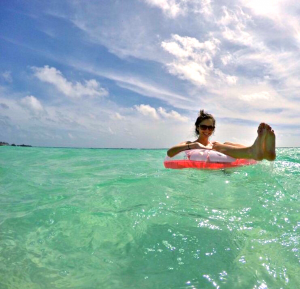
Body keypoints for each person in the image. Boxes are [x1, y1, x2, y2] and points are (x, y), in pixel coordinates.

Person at [167, 110, 276, 161]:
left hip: (223, 169)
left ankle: (264, 152)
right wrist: (194, 146)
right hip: (207, 173)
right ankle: (253, 151)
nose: (207, 130)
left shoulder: (214, 144)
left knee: (225, 143)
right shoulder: (189, 144)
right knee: (216, 146)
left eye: (210, 128)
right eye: (203, 127)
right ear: (197, 127)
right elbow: (170, 152)